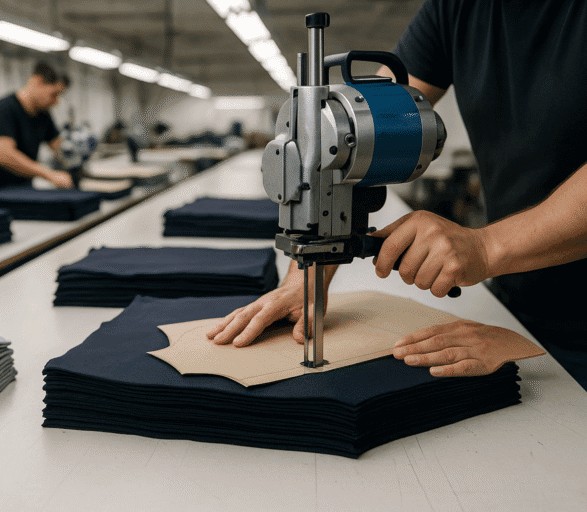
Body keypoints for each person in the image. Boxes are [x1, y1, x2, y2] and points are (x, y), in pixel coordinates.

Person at [208, 0, 587, 386]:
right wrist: (305, 277)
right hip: (519, 300)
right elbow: (366, 128)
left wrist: (487, 248)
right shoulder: (457, 9)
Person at [0, 61, 74, 197]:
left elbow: (58, 147)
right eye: (54, 94)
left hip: (22, 191)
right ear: (37, 81)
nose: (56, 102)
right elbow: (4, 155)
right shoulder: (4, 109)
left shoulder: (43, 115)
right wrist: (48, 173)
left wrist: (74, 155)